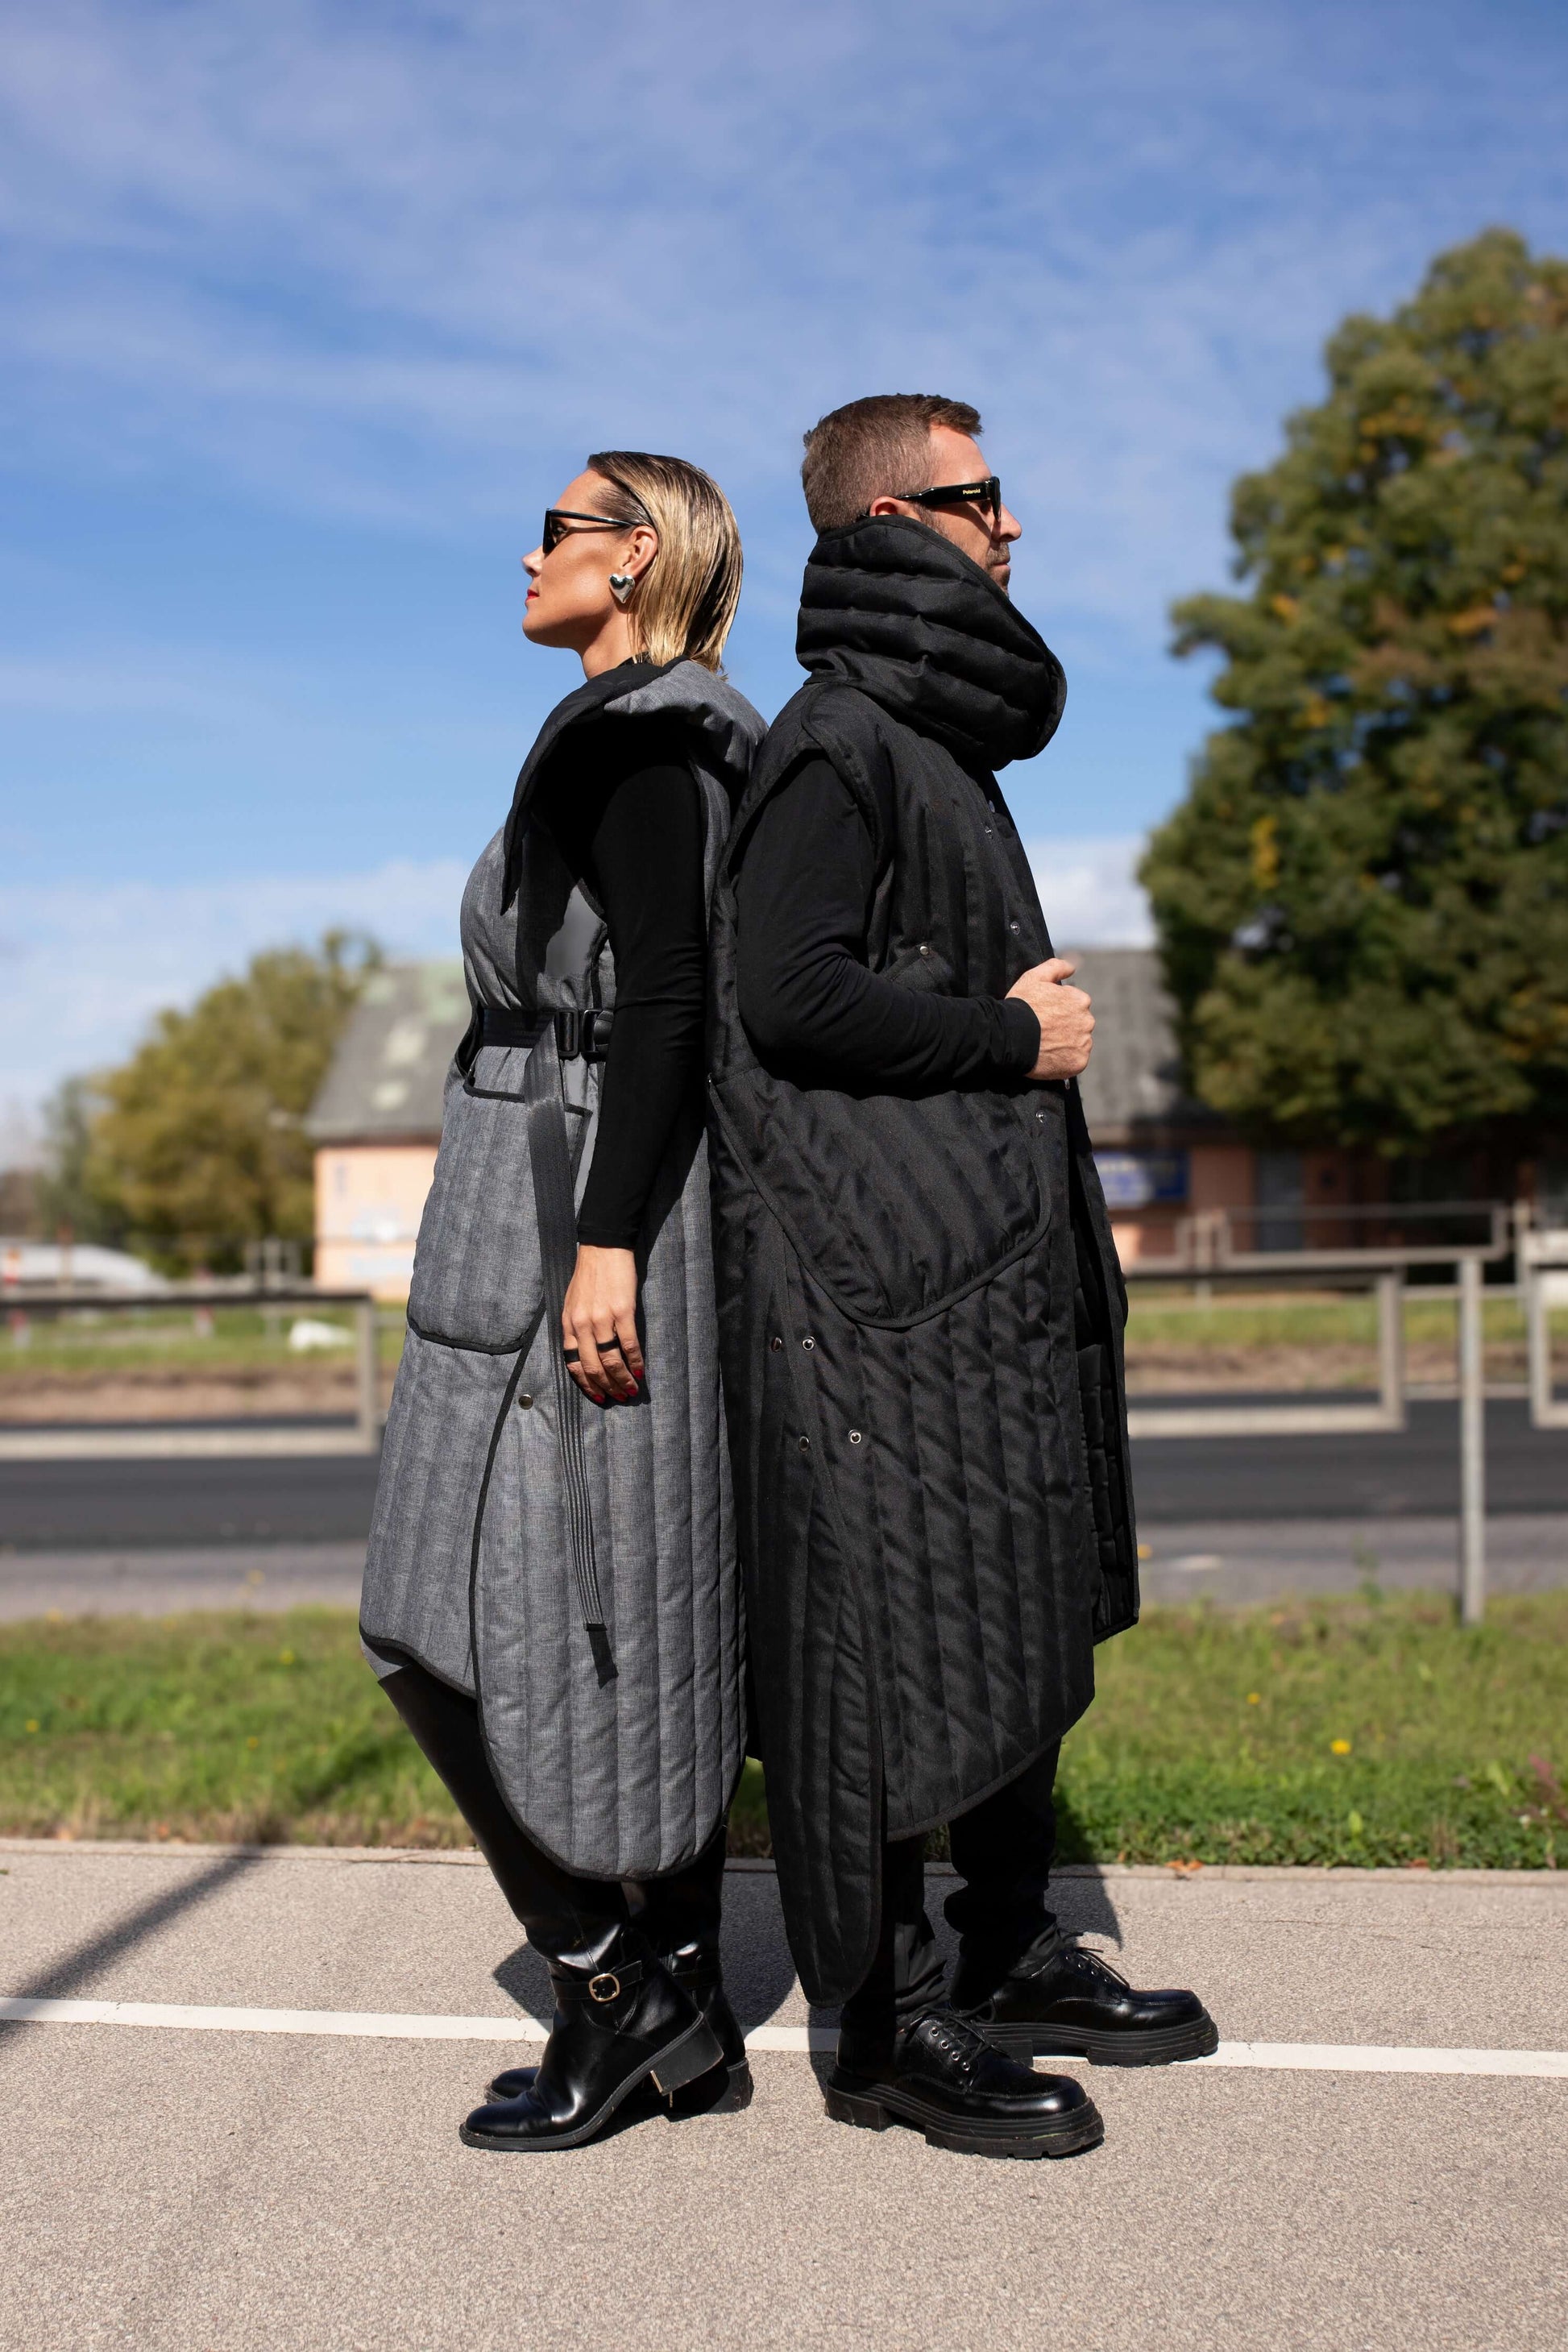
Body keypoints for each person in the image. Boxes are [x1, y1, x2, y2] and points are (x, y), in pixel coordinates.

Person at [707, 394, 1215, 2161]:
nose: (1015, 531)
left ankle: (1001, 1949)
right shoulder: (837, 738)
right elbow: (783, 994)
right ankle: (890, 2023)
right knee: (888, 1651)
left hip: (975, 1282)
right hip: (877, 1307)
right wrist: (1007, 1036)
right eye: (986, 499)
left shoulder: (939, 746)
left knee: (1005, 1604)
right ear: (893, 520)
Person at [361, 450, 765, 2151]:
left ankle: (612, 1981)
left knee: (425, 1622)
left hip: (570, 1217)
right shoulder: (659, 735)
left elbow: (667, 1000)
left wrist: (602, 1241)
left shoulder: (642, 743)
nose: (526, 554)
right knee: (618, 1609)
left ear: (639, 557)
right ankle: (681, 2006)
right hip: (566, 1196)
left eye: (557, 529)